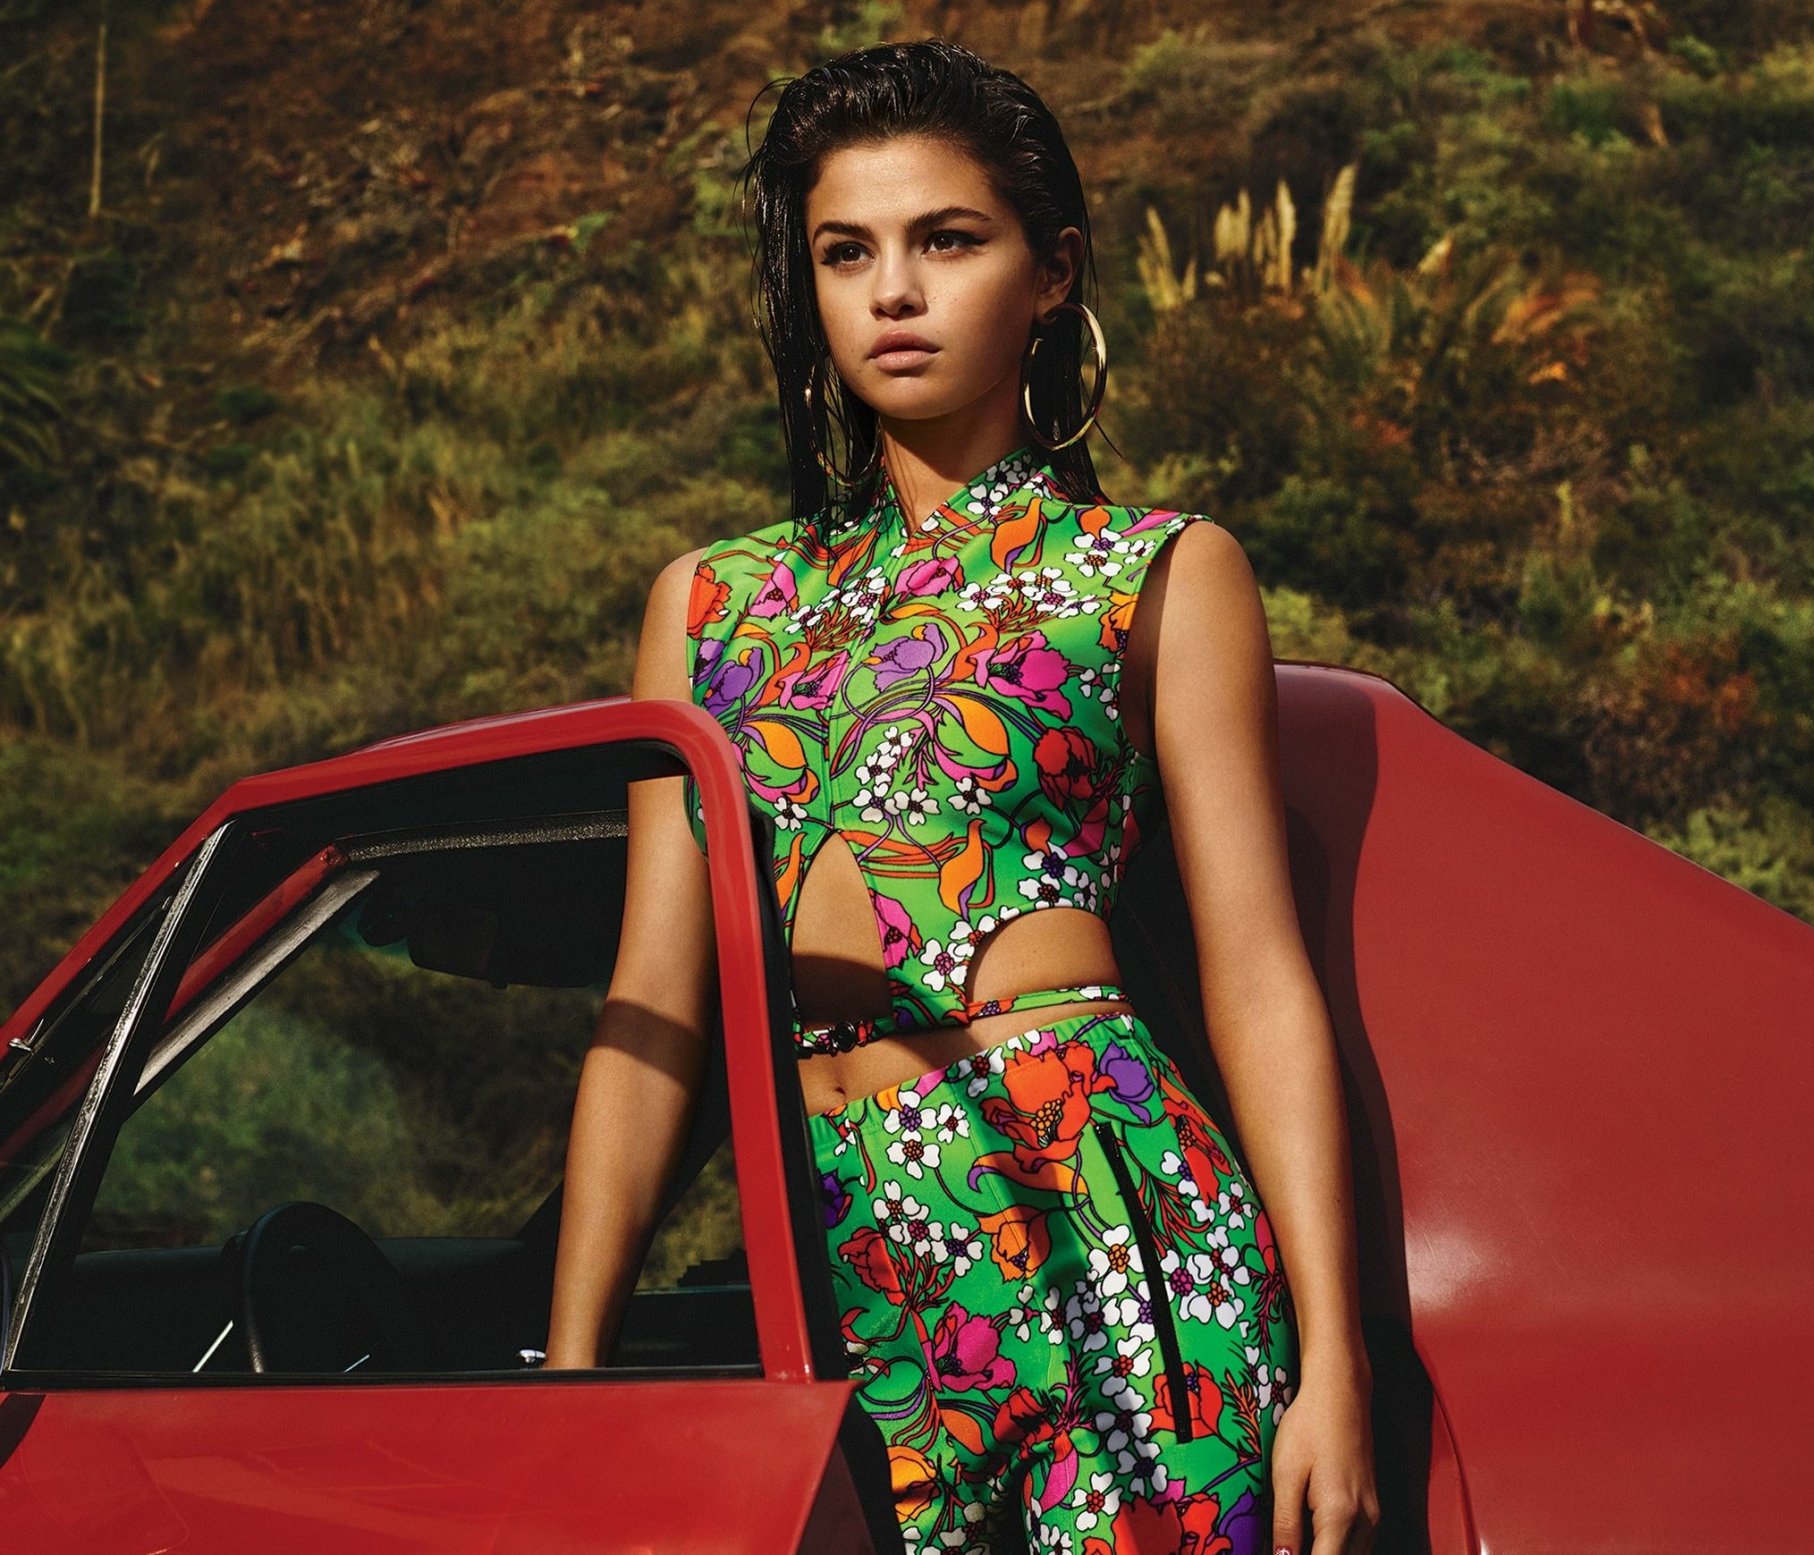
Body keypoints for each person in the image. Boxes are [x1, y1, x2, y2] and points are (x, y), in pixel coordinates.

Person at [545, 38, 1380, 1555]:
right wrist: (576, 1387)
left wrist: (1337, 1365)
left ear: (1050, 275)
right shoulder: (712, 604)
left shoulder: (1152, 571)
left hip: (1113, 1235)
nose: (894, 293)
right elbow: (650, 1016)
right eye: (845, 252)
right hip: (834, 1266)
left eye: (948, 240)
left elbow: (1260, 973)